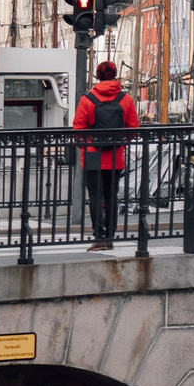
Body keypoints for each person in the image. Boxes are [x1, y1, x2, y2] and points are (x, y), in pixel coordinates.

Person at [72, 60, 135, 251]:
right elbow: (133, 128)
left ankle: (99, 236)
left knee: (95, 196)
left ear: (97, 76)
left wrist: (88, 146)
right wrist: (120, 143)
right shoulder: (125, 99)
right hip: (115, 155)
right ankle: (110, 236)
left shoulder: (87, 99)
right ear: (115, 75)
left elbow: (78, 129)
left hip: (92, 154)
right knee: (111, 196)